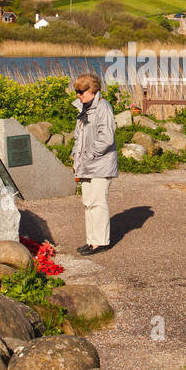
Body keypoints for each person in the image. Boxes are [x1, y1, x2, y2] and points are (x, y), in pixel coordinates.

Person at [70, 73, 117, 255]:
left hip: (100, 164)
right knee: (88, 202)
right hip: (86, 163)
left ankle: (100, 242)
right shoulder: (84, 109)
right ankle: (91, 241)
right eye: (76, 91)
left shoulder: (103, 107)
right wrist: (76, 156)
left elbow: (106, 138)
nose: (78, 95)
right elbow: (78, 136)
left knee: (98, 202)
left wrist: (88, 154)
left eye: (81, 91)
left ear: (92, 90)